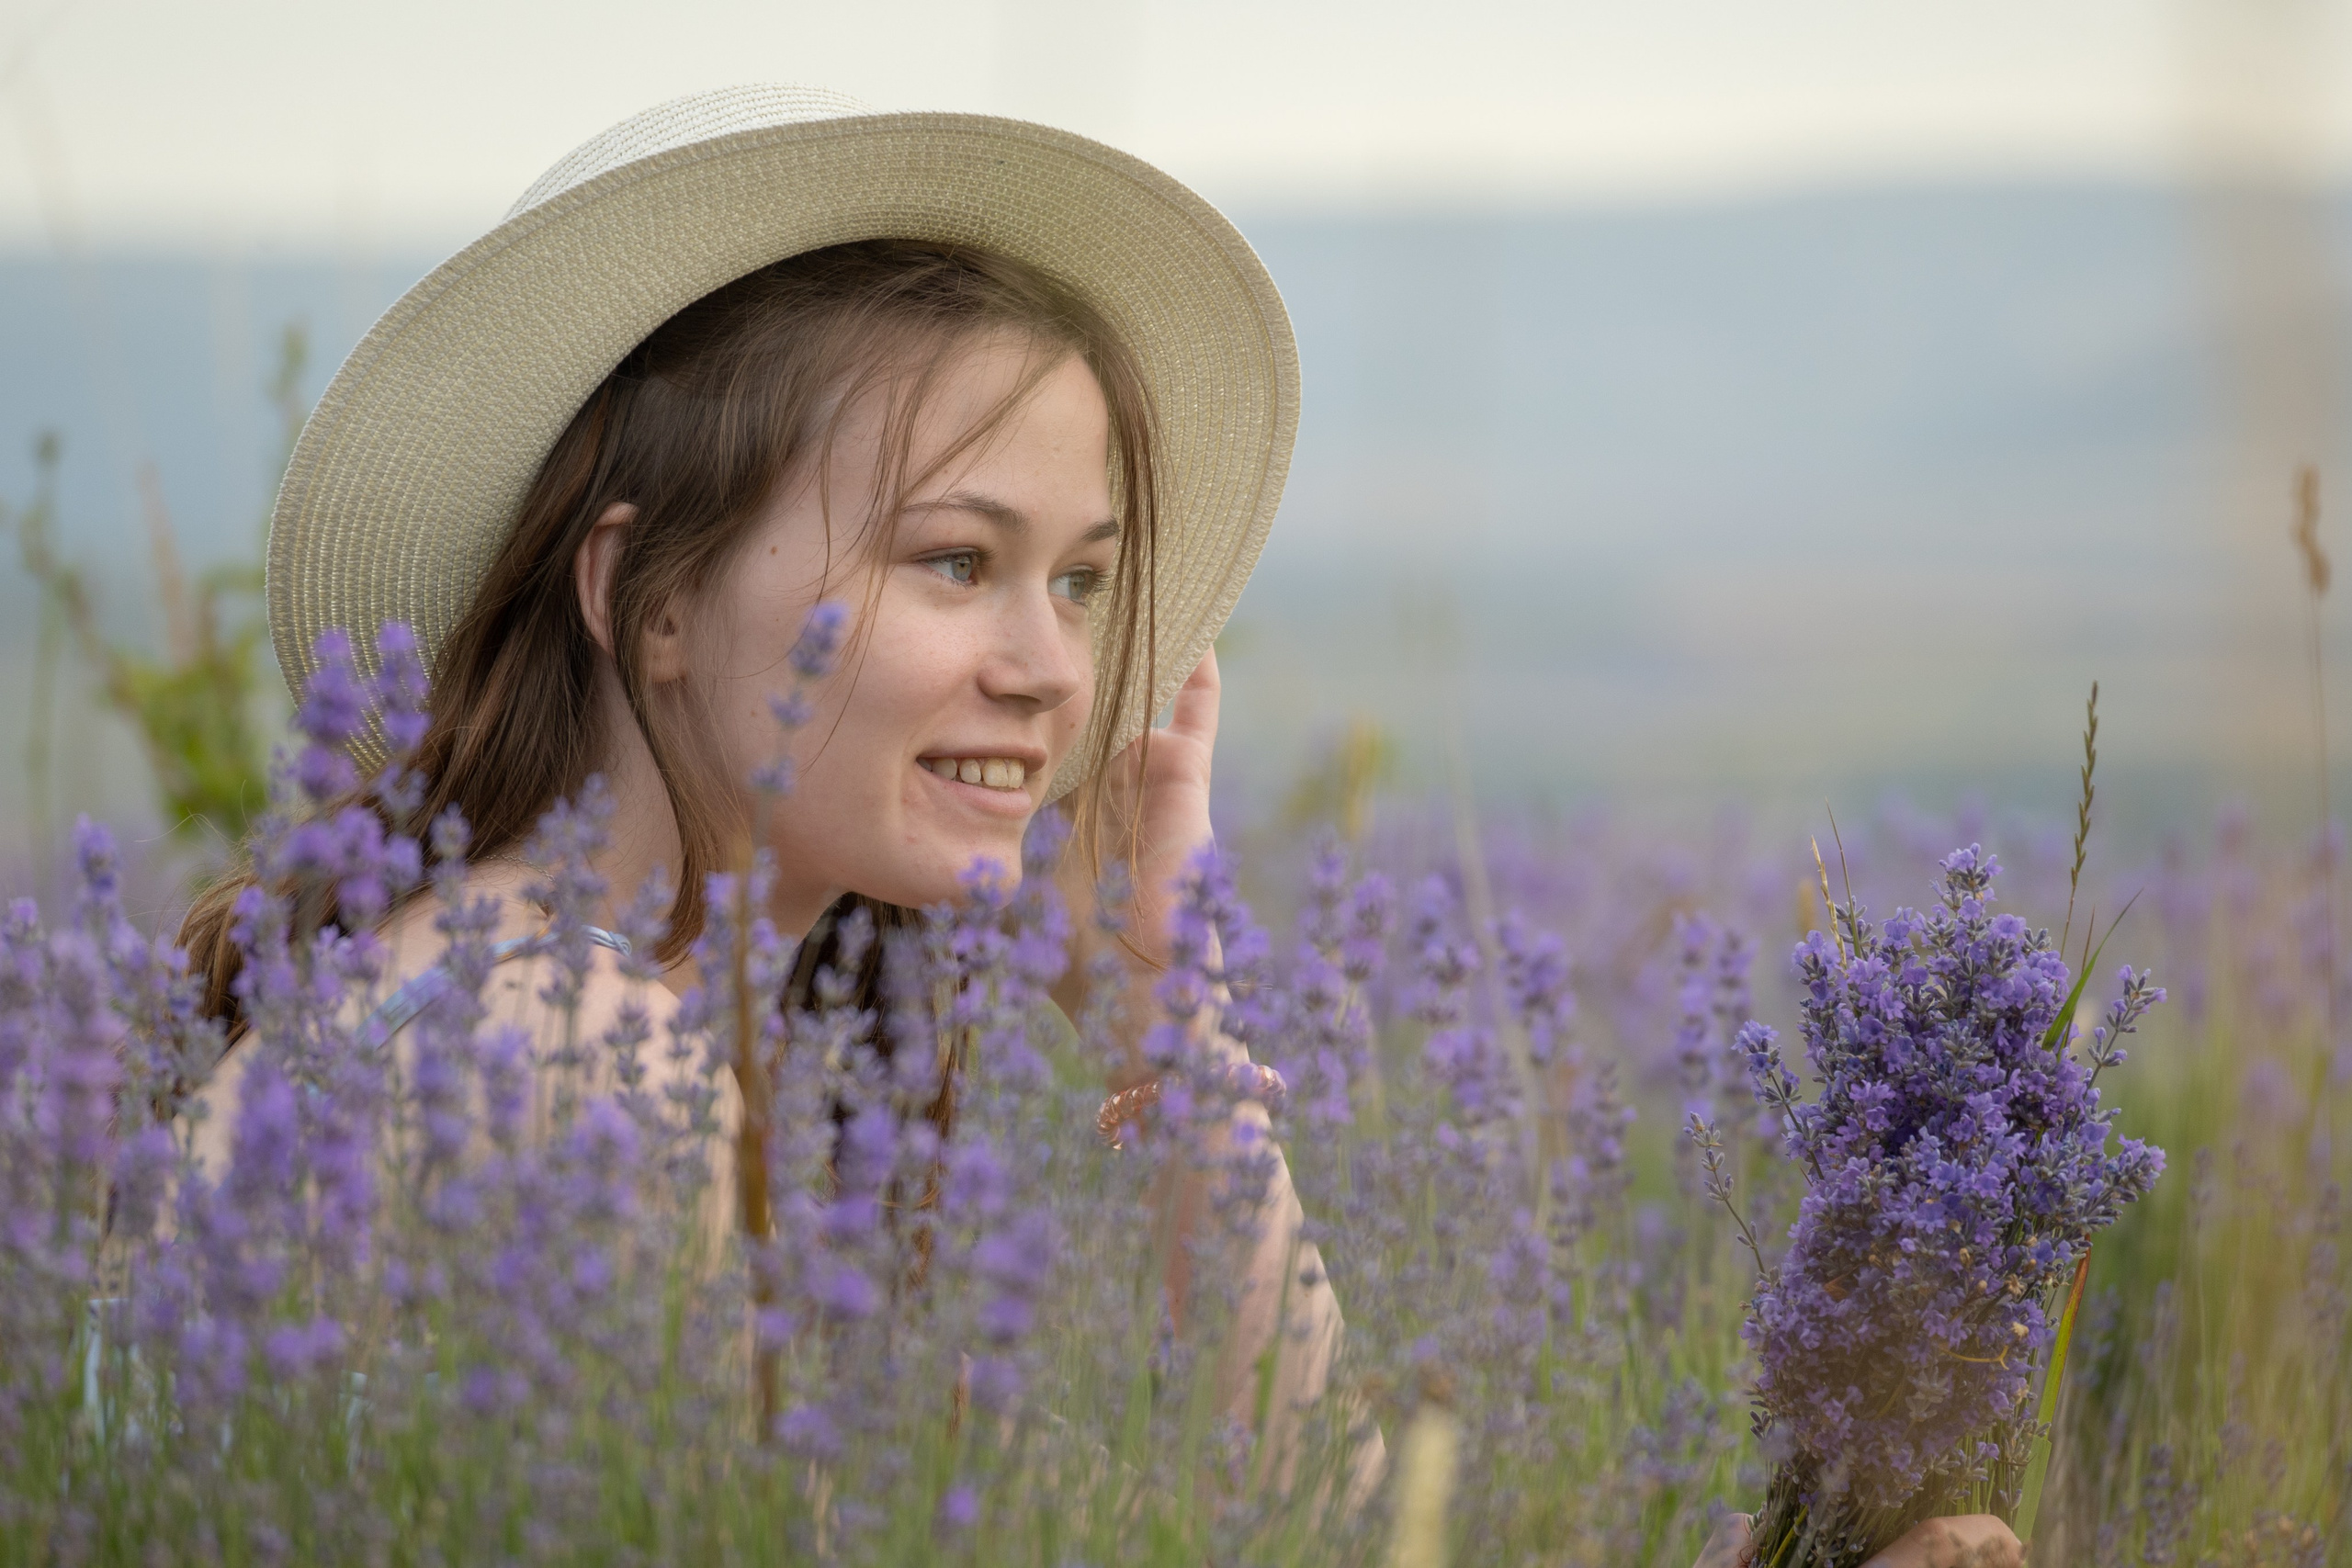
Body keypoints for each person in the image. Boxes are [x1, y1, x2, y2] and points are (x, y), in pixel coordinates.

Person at [175, 87, 2023, 1565]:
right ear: (643, 597)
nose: (1048, 669)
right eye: (954, 561)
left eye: (1077, 582)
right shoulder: (558, 1055)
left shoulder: (630, 1012)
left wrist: (1165, 1035)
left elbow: (1328, 1516)